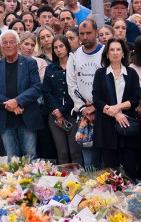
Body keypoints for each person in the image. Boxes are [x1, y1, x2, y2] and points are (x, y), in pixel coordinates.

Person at [91, 37, 141, 180]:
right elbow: (96, 99)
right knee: (111, 171)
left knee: (130, 168)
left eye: (118, 49)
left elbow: (135, 99)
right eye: (112, 50)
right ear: (107, 54)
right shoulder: (100, 73)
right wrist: (115, 114)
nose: (115, 53)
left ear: (123, 53)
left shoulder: (131, 73)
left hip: (127, 125)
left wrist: (118, 108)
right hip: (107, 126)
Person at [0, 30, 43, 158]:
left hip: (26, 116)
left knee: (30, 156)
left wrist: (17, 101)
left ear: (18, 45)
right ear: (1, 47)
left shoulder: (30, 63)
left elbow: (36, 88)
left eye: (11, 42)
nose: (8, 45)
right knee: (12, 159)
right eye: (5, 43)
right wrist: (10, 105)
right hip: (5, 119)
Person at [67, 19, 104, 168]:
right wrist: (84, 109)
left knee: (106, 160)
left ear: (96, 32)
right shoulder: (74, 56)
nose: (85, 37)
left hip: (104, 112)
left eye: (89, 33)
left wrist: (96, 107)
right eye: (82, 34)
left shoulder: (106, 52)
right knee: (89, 161)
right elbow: (72, 85)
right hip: (84, 115)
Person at [42, 36, 82, 165]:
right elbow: (46, 92)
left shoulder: (76, 66)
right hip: (55, 115)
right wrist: (56, 111)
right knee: (62, 152)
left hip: (72, 112)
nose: (58, 50)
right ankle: (64, 181)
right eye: (55, 47)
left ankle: (79, 181)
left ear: (67, 47)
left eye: (61, 46)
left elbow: (76, 90)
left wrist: (62, 111)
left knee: (75, 151)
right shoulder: (50, 68)